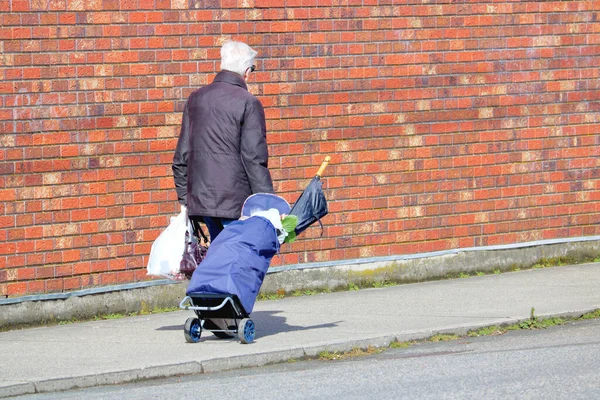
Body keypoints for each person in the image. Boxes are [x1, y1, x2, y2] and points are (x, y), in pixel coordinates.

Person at [172, 40, 274, 243]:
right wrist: (268, 204)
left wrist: (187, 199)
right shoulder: (248, 102)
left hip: (203, 201)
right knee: (238, 262)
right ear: (246, 70)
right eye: (252, 68)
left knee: (219, 256)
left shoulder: (196, 99)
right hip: (235, 204)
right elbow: (254, 159)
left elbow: (181, 156)